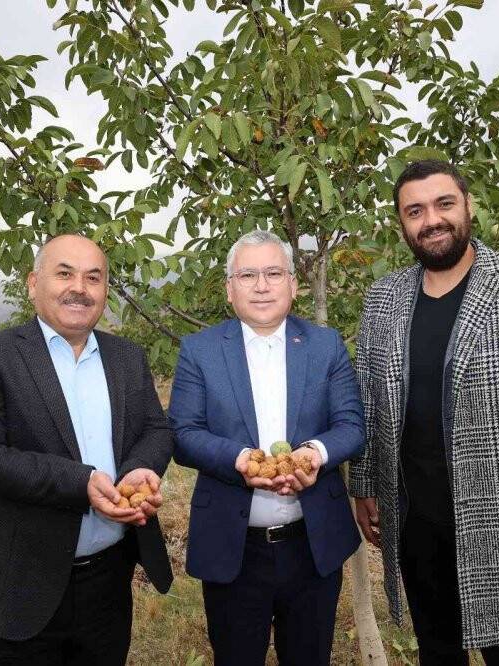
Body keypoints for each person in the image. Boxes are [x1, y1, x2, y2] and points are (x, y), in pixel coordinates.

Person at [350, 160, 499, 665]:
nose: (432, 220)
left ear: (468, 206)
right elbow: (371, 402)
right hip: (417, 525)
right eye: (415, 211)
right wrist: (366, 485)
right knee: (437, 653)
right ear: (402, 223)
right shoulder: (383, 299)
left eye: (444, 204)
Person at [0, 234, 174, 665]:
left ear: (105, 290)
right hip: (19, 584)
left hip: (108, 582)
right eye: (64, 273)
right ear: (34, 283)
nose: (80, 288)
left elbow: (155, 429)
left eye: (94, 277)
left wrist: (140, 468)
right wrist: (82, 482)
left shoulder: (127, 356)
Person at [168, 230, 365, 665]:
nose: (261, 285)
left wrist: (314, 454)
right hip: (234, 547)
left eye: (274, 273)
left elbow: (351, 425)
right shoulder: (200, 351)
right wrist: (239, 460)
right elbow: (183, 433)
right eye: (248, 275)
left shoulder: (325, 345)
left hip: (312, 545)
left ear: (293, 284)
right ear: (229, 289)